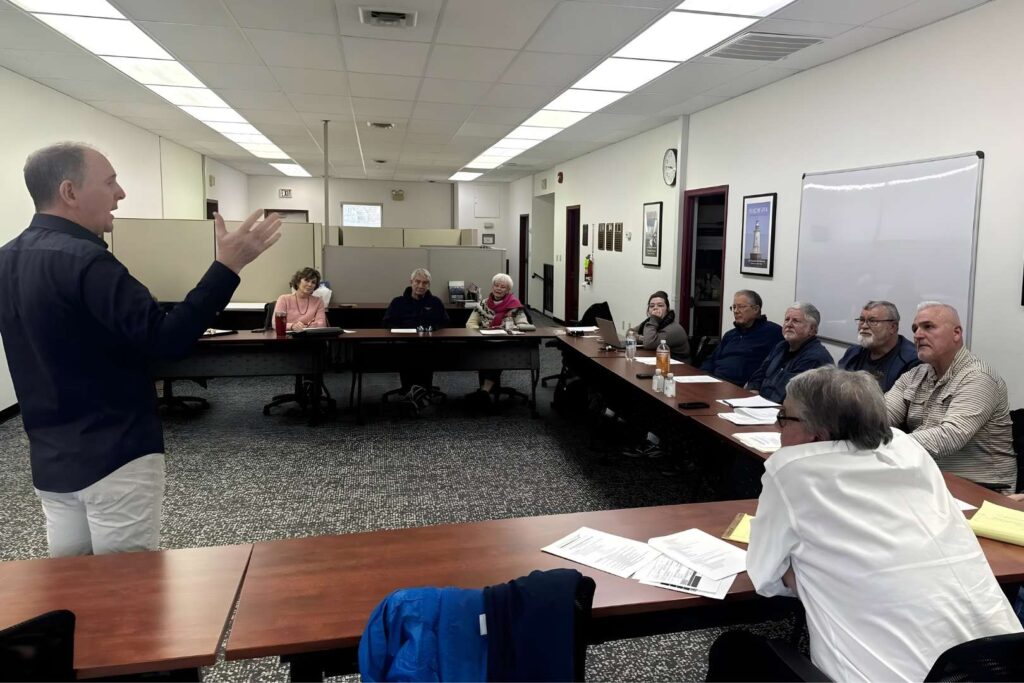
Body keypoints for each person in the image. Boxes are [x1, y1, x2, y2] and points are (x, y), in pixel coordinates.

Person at [0, 142, 281, 557]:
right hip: (114, 455)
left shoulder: (7, 259)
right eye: (110, 181)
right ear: (70, 192)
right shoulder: (88, 262)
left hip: (51, 458)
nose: (121, 193)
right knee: (126, 597)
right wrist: (228, 267)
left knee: (68, 587)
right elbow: (167, 341)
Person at [716, 367, 1023, 682]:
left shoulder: (792, 471)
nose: (778, 427)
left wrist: (814, 573)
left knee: (734, 648)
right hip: (1000, 667)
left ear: (815, 434)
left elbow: (765, 577)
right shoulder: (908, 449)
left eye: (784, 418)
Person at [885, 302, 1017, 492]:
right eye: (915, 329)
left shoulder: (979, 378)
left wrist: (882, 441)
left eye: (928, 327)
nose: (918, 335)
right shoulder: (915, 375)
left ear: (956, 333)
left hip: (983, 488)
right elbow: (880, 415)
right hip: (931, 478)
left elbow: (949, 437)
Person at [466, 273, 535, 402]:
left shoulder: (515, 305)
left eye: (502, 287)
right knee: (484, 353)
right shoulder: (483, 304)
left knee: (496, 354)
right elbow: (470, 323)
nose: (498, 288)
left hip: (507, 343)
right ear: (492, 287)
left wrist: (516, 328)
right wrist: (479, 333)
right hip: (485, 340)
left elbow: (523, 323)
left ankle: (484, 391)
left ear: (508, 290)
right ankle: (485, 391)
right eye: (496, 285)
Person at [383, 267, 450, 400]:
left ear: (428, 285)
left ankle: (424, 391)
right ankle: (409, 390)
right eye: (417, 282)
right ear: (411, 282)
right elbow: (386, 323)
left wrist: (432, 329)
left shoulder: (435, 302)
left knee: (427, 353)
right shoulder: (398, 302)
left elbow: (445, 322)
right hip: (404, 345)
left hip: (428, 345)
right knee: (407, 354)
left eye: (425, 283)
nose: (420, 286)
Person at [746, 302, 833, 403]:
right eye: (787, 319)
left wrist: (758, 405)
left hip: (785, 412)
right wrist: (753, 391)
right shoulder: (781, 346)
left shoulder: (815, 357)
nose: (788, 324)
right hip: (761, 406)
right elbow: (759, 373)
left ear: (812, 329)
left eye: (796, 321)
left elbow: (788, 396)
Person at [700, 290, 782, 385]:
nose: (735, 311)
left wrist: (754, 386)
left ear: (756, 309)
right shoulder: (730, 335)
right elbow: (712, 360)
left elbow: (775, 366)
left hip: (741, 387)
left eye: (741, 307)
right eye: (734, 307)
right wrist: (703, 376)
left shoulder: (773, 332)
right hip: (715, 382)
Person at [838, 300, 918, 391]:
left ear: (893, 327)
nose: (864, 326)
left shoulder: (912, 362)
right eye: (861, 320)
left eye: (872, 321)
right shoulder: (853, 353)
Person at [634, 290, 689, 360]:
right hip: (659, 361)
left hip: (679, 367)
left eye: (660, 305)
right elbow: (630, 333)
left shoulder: (674, 329)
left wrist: (654, 320)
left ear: (667, 309)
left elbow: (649, 343)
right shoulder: (652, 322)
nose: (655, 308)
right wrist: (642, 338)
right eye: (651, 306)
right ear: (648, 310)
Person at [274, 267, 326, 332]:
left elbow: (322, 325)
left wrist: (304, 327)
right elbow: (275, 324)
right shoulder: (283, 299)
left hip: (310, 338)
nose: (310, 284)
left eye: (313, 282)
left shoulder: (318, 301)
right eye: (307, 280)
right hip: (288, 338)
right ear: (298, 282)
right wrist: (292, 326)